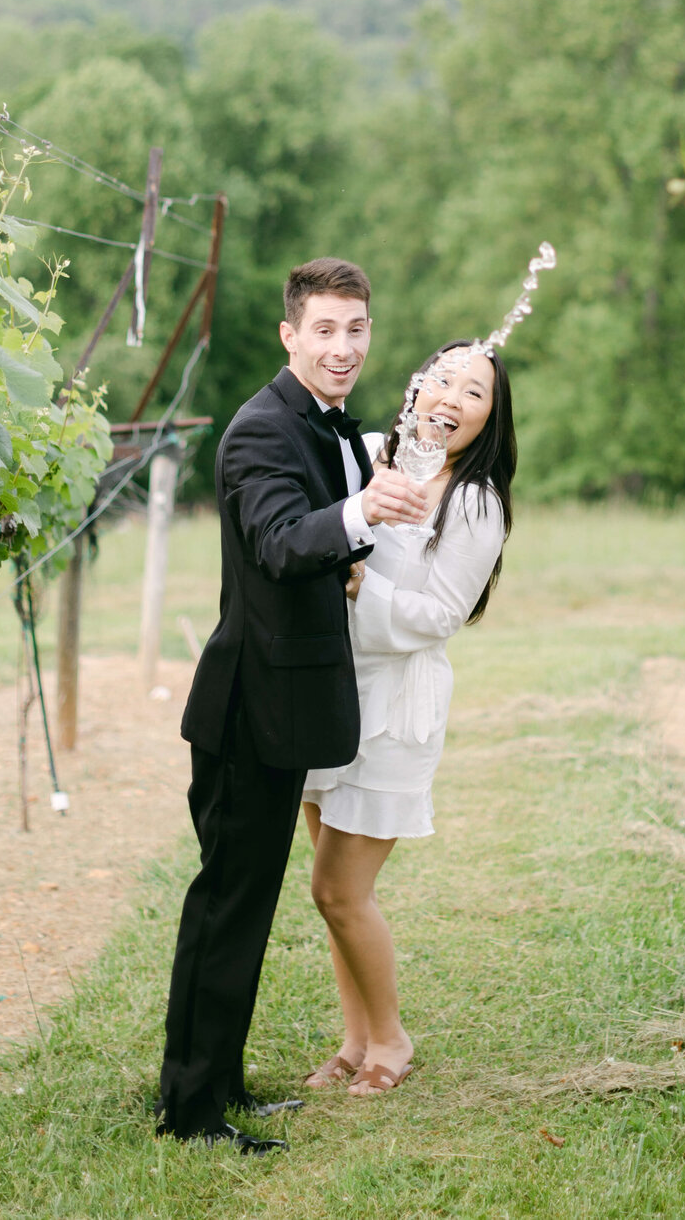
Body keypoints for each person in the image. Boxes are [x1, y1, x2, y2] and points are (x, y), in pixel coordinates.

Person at [156, 258, 429, 1154]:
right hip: (246, 709)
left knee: (247, 904)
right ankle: (192, 1112)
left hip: (281, 707)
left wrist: (354, 537)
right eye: (325, 329)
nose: (343, 347)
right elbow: (278, 541)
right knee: (227, 906)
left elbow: (320, 551)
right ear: (290, 334)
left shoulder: (327, 426)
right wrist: (358, 516)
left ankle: (218, 1080)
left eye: (356, 329)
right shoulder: (260, 430)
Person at [301, 339, 516, 1096]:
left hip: (395, 707)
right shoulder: (365, 455)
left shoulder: (474, 500)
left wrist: (361, 587)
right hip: (327, 689)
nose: (455, 398)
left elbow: (441, 614)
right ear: (417, 386)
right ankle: (355, 1039)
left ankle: (391, 1039)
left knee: (338, 888)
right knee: (334, 890)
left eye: (477, 391)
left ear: (491, 416)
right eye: (445, 379)